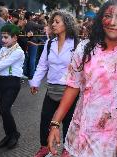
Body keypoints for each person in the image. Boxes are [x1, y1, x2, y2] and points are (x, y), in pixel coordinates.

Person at [47, 0, 117, 157]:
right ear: (101, 19)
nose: (112, 22)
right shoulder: (84, 48)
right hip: (81, 132)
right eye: (107, 16)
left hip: (113, 139)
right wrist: (55, 123)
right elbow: (73, 86)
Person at [29, 11, 79, 157]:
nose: (53, 24)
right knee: (45, 119)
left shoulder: (77, 43)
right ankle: (44, 147)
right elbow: (42, 65)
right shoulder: (50, 43)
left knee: (69, 122)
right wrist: (35, 82)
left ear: (67, 24)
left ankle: (67, 149)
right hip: (51, 88)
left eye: (57, 21)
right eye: (53, 22)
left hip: (69, 90)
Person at [0, 24, 25, 149]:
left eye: (6, 37)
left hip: (12, 83)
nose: (3, 40)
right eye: (2, 37)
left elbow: (1, 65)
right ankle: (9, 135)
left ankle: (14, 135)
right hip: (0, 81)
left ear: (15, 38)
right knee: (3, 112)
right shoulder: (3, 49)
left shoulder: (18, 52)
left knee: (5, 110)